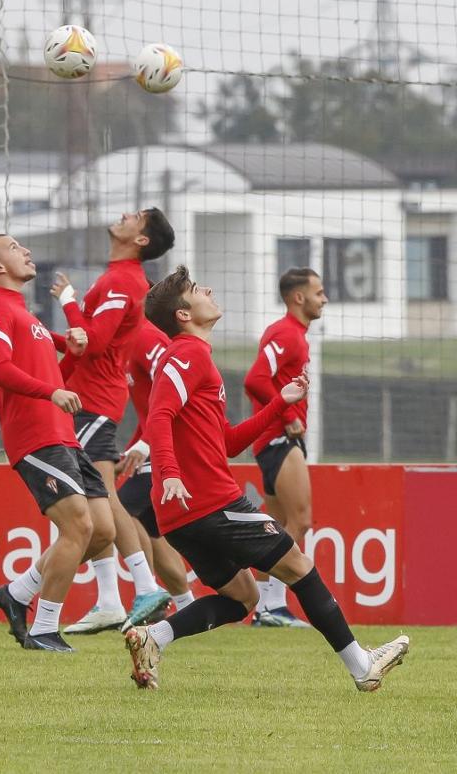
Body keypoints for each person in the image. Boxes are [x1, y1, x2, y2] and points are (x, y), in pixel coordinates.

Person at [123, 266, 408, 692]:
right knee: (300, 567)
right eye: (198, 289)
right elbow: (159, 415)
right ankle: (361, 665)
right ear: (184, 314)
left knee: (244, 598)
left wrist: (279, 403)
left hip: (182, 515)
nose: (209, 289)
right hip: (209, 503)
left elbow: (228, 442)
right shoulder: (187, 354)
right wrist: (168, 473)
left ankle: (154, 637)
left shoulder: (193, 357)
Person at [0, 234, 113, 653]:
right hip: (35, 438)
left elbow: (55, 376)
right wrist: (52, 393)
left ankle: (17, 593)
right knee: (78, 526)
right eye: (15, 248)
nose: (26, 252)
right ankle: (45, 628)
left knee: (102, 532)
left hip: (62, 435)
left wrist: (74, 354)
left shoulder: (24, 313)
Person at [50, 208, 176, 634]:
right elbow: (85, 344)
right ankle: (111, 598)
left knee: (103, 496)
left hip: (95, 402)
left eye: (136, 216)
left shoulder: (122, 280)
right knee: (95, 499)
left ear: (141, 239)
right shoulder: (118, 278)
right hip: (92, 399)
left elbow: (95, 341)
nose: (126, 215)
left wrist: (68, 302)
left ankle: (144, 587)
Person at [243, 268, 327, 627]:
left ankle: (266, 608)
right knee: (301, 521)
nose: (324, 299)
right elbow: (255, 379)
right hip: (280, 437)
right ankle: (272, 605)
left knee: (278, 526)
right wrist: (289, 414)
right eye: (319, 292)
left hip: (277, 440)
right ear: (298, 297)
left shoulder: (297, 336)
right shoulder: (285, 334)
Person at [115, 318, 194, 613]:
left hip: (170, 445)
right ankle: (187, 607)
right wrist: (136, 446)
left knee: (121, 511)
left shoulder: (148, 337)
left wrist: (147, 443)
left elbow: (169, 396)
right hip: (159, 443)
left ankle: (149, 599)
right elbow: (152, 410)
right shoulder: (128, 342)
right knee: (149, 530)